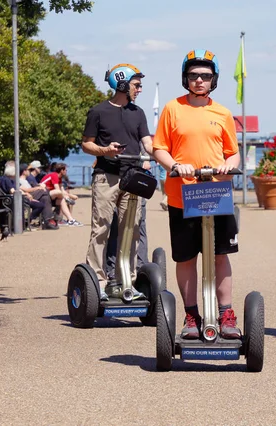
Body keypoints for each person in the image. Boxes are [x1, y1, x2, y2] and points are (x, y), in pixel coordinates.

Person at [152, 49, 241, 339]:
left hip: (217, 191)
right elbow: (159, 148)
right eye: (193, 75)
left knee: (220, 255)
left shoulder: (223, 113)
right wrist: (176, 166)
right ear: (185, 79)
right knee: (186, 257)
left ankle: (225, 313)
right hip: (183, 193)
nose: (199, 80)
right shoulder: (172, 109)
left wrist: (229, 164)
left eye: (205, 76)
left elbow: (233, 154)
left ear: (213, 79)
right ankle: (191, 316)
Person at [80, 63, 154, 301]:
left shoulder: (138, 113)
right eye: (136, 84)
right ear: (121, 84)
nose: (140, 89)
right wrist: (105, 150)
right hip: (106, 176)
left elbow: (147, 142)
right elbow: (86, 144)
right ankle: (98, 281)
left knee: (131, 230)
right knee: (101, 227)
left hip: (133, 178)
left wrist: (157, 154)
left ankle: (127, 280)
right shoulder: (98, 112)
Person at [18, 164, 59, 230]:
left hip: (33, 194)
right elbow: (26, 190)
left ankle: (46, 222)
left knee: (45, 198)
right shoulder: (19, 180)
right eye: (29, 170)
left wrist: (39, 187)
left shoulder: (27, 180)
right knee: (44, 191)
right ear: (24, 171)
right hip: (27, 196)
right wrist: (38, 188)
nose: (30, 172)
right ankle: (48, 220)